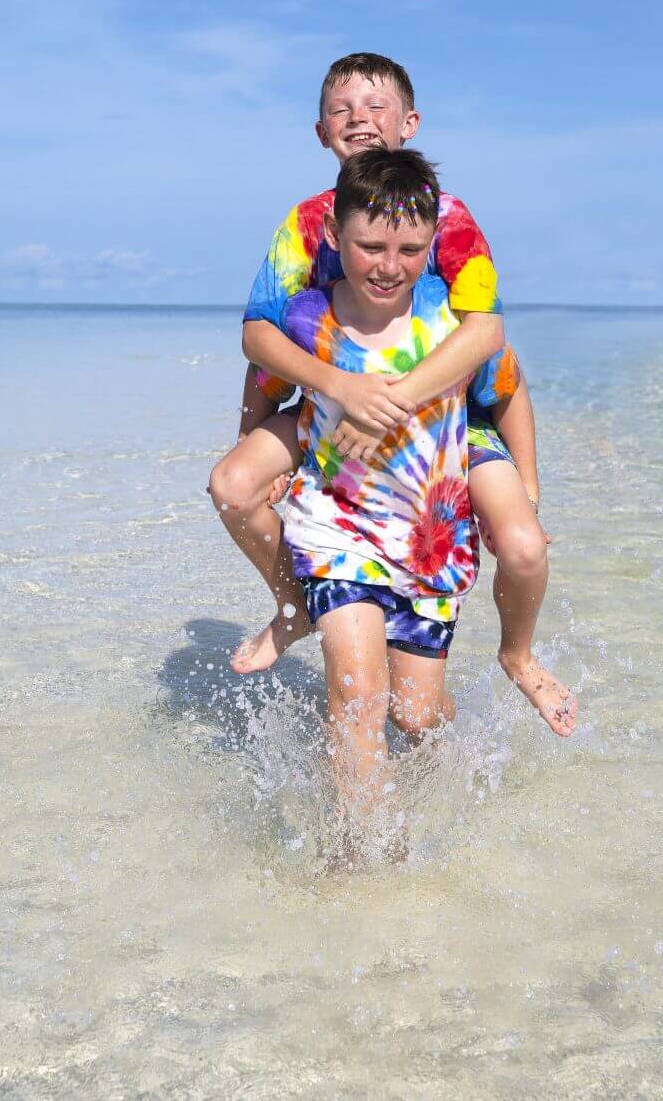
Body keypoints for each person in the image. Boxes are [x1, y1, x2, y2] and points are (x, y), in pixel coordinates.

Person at [207, 53, 577, 736]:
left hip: (446, 420)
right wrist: (332, 394)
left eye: (376, 107)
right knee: (233, 483)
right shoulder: (307, 223)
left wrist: (401, 405)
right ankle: (295, 606)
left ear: (409, 123)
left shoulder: (448, 217)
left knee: (521, 547)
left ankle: (517, 654)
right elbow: (262, 340)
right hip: (334, 402)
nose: (360, 119)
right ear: (322, 131)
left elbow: (492, 343)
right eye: (343, 109)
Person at [270, 148, 506, 858]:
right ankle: (370, 855)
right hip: (336, 525)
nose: (388, 264)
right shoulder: (308, 316)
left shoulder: (450, 318)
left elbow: (496, 348)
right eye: (370, 245)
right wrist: (282, 429)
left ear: (432, 244)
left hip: (428, 539)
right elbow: (260, 351)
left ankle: (447, 764)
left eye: (409, 248)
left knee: (415, 713)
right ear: (334, 236)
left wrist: (520, 490)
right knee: (355, 688)